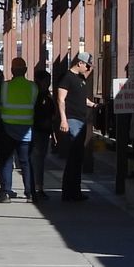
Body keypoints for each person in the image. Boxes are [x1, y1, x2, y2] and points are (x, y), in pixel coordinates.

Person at [0, 58, 36, 202]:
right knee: (25, 162)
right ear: (25, 70)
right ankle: (30, 193)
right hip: (26, 129)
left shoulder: (4, 87)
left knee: (6, 161)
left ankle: (5, 193)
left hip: (7, 128)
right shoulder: (33, 87)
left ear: (11, 70)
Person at [54, 53, 93, 202]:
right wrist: (64, 120)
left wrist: (93, 104)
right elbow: (61, 99)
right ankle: (69, 191)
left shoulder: (81, 78)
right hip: (72, 119)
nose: (88, 68)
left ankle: (75, 190)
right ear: (80, 63)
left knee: (77, 156)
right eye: (87, 65)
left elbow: (82, 98)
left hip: (81, 119)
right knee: (74, 156)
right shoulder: (67, 78)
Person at [28, 66, 56, 201]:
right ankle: (36, 188)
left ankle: (37, 187)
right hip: (37, 129)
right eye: (47, 80)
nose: (48, 83)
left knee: (39, 159)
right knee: (37, 159)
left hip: (44, 130)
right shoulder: (38, 95)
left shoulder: (46, 95)